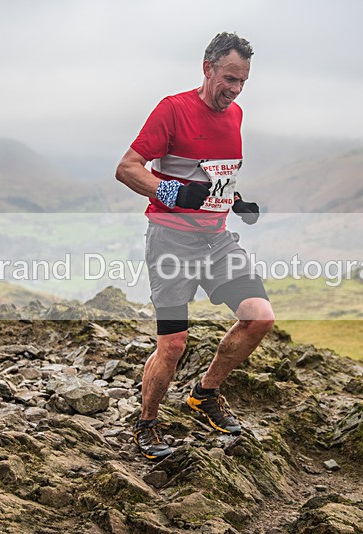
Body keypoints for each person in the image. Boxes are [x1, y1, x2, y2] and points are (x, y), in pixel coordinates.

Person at [115, 32, 275, 461]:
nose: (235, 90)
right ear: (207, 68)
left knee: (259, 318)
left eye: (242, 81)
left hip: (217, 240)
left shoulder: (236, 115)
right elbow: (127, 169)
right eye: (228, 78)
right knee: (173, 344)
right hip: (171, 240)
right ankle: (146, 425)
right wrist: (170, 192)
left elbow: (212, 176)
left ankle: (204, 394)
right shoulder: (173, 110)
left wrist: (234, 201)